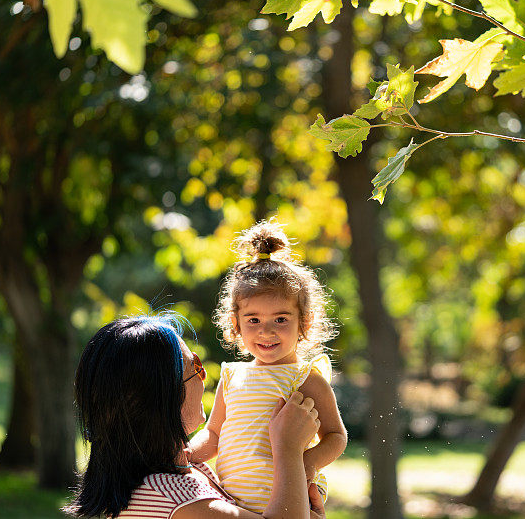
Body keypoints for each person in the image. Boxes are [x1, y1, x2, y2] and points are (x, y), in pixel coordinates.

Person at [64, 315, 325, 519]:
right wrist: (288, 447)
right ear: (162, 397)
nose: (204, 377)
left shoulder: (184, 469)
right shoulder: (172, 499)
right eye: (195, 367)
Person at [189, 220, 347, 513]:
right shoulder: (232, 375)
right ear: (235, 324)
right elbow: (213, 433)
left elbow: (336, 436)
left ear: (305, 322)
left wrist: (307, 463)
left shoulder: (305, 378)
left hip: (292, 501)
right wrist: (187, 454)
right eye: (253, 320)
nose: (266, 331)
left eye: (281, 319)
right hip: (234, 505)